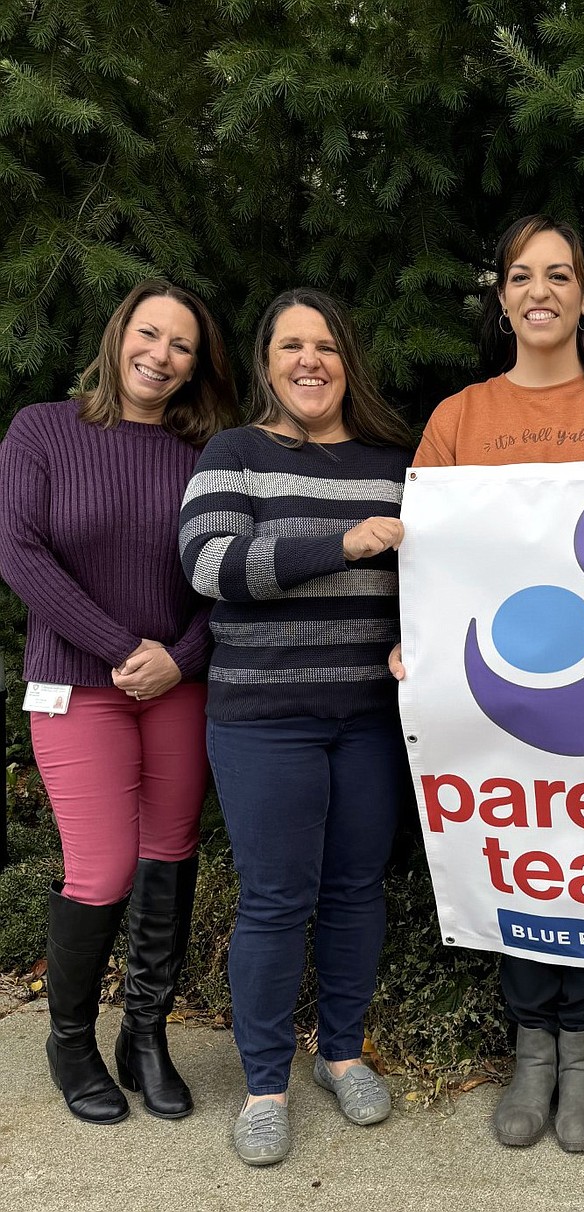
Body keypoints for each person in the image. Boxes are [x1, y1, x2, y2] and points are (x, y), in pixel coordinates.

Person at [403, 214, 584, 1153]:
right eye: (521, 275)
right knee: (519, 855)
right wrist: (417, 645)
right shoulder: (460, 419)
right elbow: (429, 560)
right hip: (502, 691)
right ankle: (534, 1041)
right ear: (501, 297)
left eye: (559, 275)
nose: (540, 291)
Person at [178, 288, 413, 1166]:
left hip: (368, 719)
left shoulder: (393, 462)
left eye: (325, 345)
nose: (309, 361)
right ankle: (266, 1083)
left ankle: (341, 1053)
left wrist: (410, 642)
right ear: (267, 362)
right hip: (263, 719)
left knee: (356, 890)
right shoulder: (234, 452)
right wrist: (343, 545)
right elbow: (210, 564)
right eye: (290, 347)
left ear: (347, 358)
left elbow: (432, 579)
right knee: (278, 899)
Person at [0, 280, 237, 1124]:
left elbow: (226, 574)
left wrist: (177, 659)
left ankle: (146, 1035)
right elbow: (21, 553)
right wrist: (122, 650)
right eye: (149, 334)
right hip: (79, 688)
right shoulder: (42, 429)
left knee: (169, 855)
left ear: (196, 363)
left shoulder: (206, 453)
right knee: (100, 871)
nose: (160, 355)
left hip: (176, 686)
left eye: (181, 345)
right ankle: (70, 1041)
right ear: (119, 335)